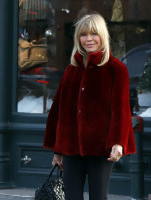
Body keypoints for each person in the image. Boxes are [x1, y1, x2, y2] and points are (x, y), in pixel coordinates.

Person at [43, 13, 136, 200]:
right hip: (71, 148)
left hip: (101, 148)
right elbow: (60, 113)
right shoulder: (72, 70)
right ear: (78, 38)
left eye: (94, 34)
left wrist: (118, 143)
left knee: (98, 197)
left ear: (102, 35)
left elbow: (121, 110)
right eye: (83, 35)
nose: (89, 39)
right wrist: (57, 149)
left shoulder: (115, 69)